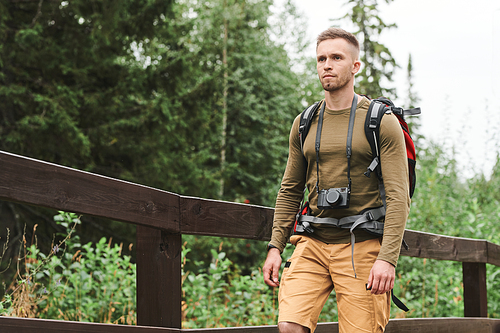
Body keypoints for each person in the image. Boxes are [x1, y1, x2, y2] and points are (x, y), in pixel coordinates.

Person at [262, 27, 410, 333]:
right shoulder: (304, 123)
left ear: (355, 66)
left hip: (362, 244)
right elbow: (290, 190)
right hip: (313, 241)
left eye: (336, 57)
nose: (327, 65)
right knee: (290, 326)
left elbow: (399, 197)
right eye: (321, 58)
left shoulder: (381, 121)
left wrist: (388, 259)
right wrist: (275, 246)